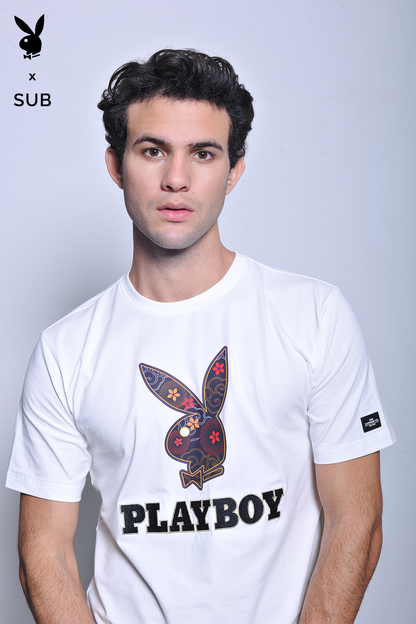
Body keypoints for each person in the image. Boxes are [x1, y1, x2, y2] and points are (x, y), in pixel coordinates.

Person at [6, 49, 396, 624]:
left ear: (234, 170)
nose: (176, 179)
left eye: (203, 153)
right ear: (115, 165)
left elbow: (357, 522)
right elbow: (43, 553)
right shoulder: (66, 350)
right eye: (152, 150)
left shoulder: (313, 316)